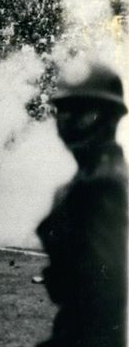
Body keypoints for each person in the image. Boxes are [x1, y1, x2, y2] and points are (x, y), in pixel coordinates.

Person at [36, 62, 127, 347]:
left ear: (109, 119)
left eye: (81, 111)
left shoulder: (104, 187)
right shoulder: (87, 181)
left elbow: (104, 293)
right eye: (62, 110)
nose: (66, 120)